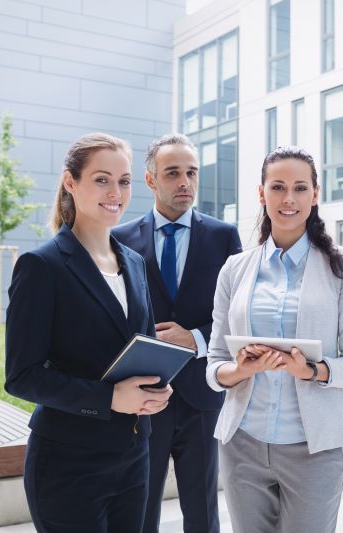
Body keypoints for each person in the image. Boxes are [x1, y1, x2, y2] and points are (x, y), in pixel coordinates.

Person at [5, 133, 174, 533]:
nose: (115, 192)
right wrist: (109, 398)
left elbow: (143, 345)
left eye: (125, 181)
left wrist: (157, 388)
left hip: (134, 455)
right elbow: (22, 376)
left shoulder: (134, 262)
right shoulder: (41, 266)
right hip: (68, 463)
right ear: (70, 182)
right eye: (101, 179)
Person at [206, 146, 343, 533]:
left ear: (316, 194)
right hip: (242, 443)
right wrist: (239, 370)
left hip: (313, 447)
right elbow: (214, 362)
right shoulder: (235, 269)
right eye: (277, 187)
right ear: (261, 194)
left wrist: (311, 370)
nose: (288, 199)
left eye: (300, 188)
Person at [112, 133, 241, 533]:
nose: (185, 182)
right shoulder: (119, 238)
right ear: (151, 180)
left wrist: (197, 338)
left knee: (203, 512)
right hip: (144, 395)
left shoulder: (223, 236)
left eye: (191, 172)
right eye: (173, 173)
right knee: (139, 507)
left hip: (202, 395)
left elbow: (238, 314)